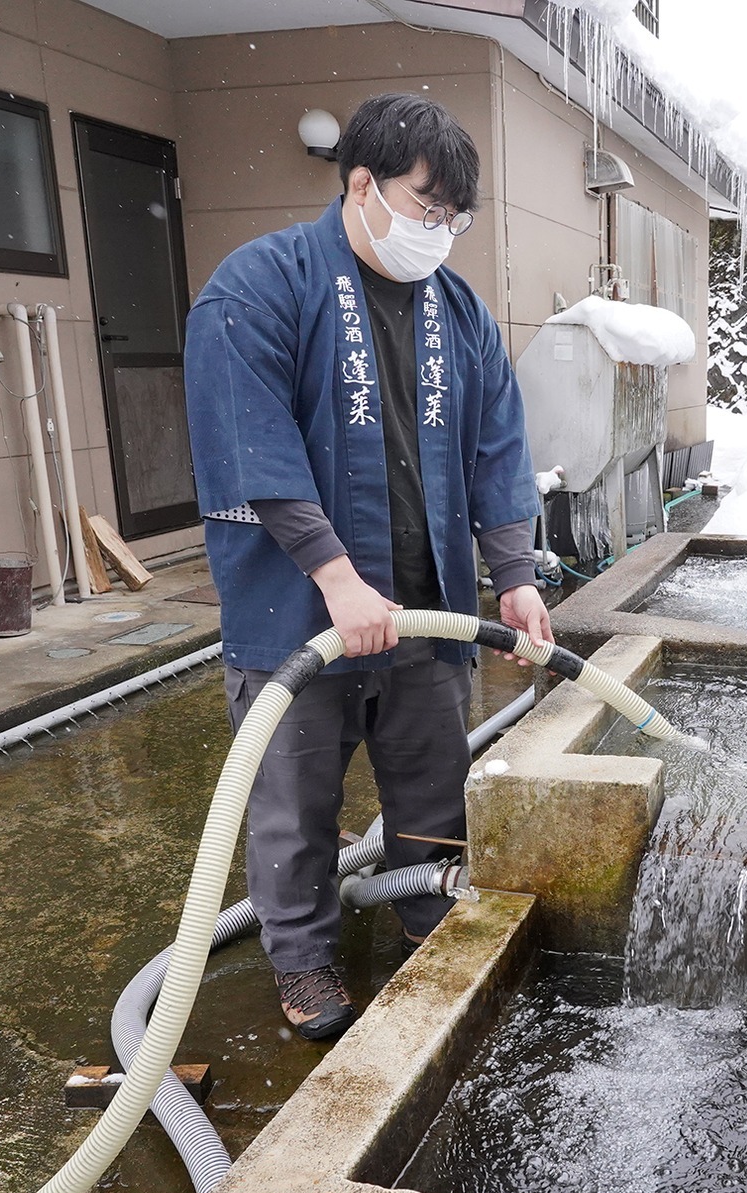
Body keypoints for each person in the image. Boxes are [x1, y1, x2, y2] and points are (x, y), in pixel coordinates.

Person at [185, 93, 549, 1041]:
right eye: (425, 209)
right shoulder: (260, 285)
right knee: (292, 805)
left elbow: (497, 450)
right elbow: (251, 446)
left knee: (432, 789)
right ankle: (302, 963)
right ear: (361, 184)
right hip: (297, 615)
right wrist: (336, 577)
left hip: (426, 613)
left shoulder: (459, 312)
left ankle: (430, 915)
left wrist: (512, 571)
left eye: (453, 220)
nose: (439, 233)